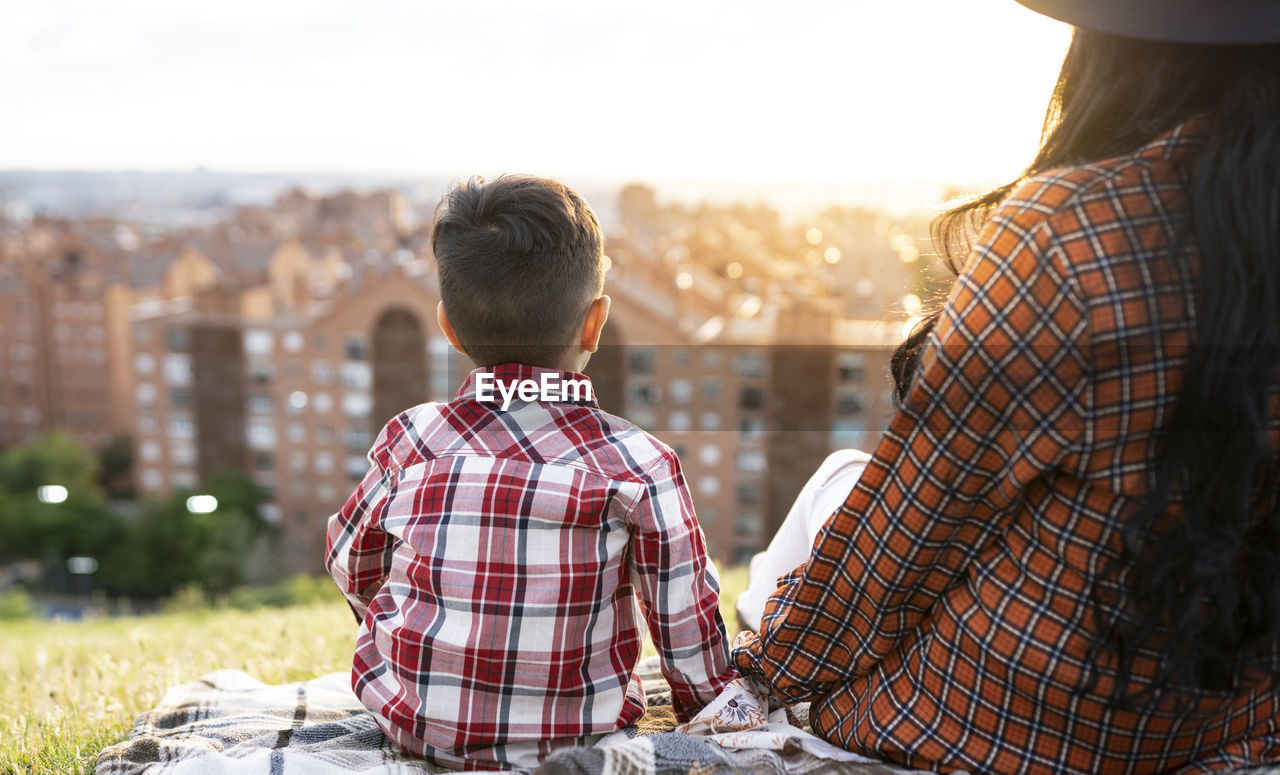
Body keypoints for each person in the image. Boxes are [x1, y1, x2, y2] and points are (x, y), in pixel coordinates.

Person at [733, 2, 1280, 773]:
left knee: (837, 483)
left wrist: (761, 670)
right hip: (1218, 725)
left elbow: (900, 541)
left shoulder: (1072, 231)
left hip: (999, 724)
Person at [326, 175, 736, 771]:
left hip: (412, 726)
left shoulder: (411, 438)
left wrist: (418, 635)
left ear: (447, 326)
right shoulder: (640, 464)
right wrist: (711, 708)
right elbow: (685, 629)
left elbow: (350, 563)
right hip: (574, 741)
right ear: (594, 324)